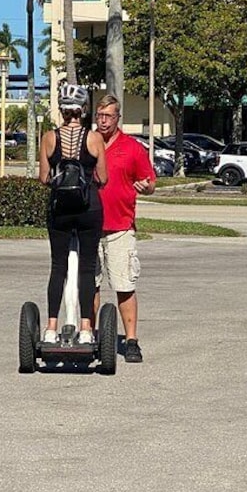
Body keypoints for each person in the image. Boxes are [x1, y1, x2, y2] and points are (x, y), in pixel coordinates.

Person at [39, 84, 108, 345]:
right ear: (83, 109)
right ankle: (87, 329)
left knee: (58, 267)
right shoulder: (94, 138)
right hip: (88, 208)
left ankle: (50, 327)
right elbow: (103, 177)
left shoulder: (49, 137)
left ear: (62, 109)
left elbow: (43, 178)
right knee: (87, 269)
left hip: (60, 210)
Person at [93, 95, 156, 362]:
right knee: (89, 286)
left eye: (108, 115)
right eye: (99, 115)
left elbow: (150, 181)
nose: (103, 120)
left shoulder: (132, 148)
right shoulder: (87, 144)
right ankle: (91, 336)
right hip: (89, 229)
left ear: (118, 118)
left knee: (124, 285)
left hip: (120, 228)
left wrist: (147, 187)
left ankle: (131, 340)